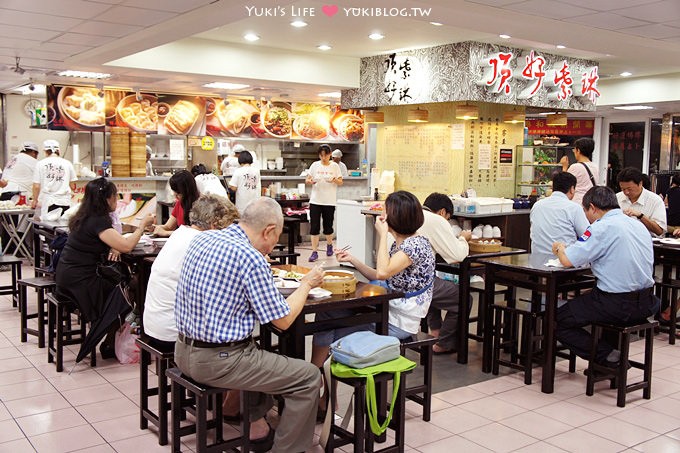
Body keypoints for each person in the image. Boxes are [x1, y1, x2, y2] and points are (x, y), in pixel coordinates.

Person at [174, 197, 324, 453]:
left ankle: (258, 428)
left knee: (255, 350)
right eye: (275, 238)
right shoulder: (249, 257)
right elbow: (284, 321)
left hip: (183, 351)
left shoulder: (203, 238)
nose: (272, 246)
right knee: (308, 377)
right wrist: (307, 283)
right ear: (268, 230)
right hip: (218, 361)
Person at [311, 191, 435, 414]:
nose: (382, 214)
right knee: (328, 316)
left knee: (337, 331)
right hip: (389, 309)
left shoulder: (414, 246)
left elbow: (383, 272)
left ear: (394, 218)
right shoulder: (405, 243)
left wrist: (382, 234)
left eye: (385, 211)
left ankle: (321, 390)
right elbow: (381, 276)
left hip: (399, 321)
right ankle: (317, 379)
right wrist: (354, 260)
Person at [552, 186, 659, 367]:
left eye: (585, 211)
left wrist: (559, 249)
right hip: (647, 302)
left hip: (616, 305)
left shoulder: (600, 228)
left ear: (592, 208)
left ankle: (607, 356)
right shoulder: (637, 225)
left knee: (556, 320)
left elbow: (568, 260)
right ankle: (606, 363)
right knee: (592, 302)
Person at [56, 178, 155, 358]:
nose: (116, 202)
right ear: (106, 199)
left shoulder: (84, 217)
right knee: (128, 291)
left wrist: (114, 244)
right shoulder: (98, 221)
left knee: (127, 283)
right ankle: (110, 341)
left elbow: (111, 242)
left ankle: (112, 340)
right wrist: (141, 227)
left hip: (68, 275)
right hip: (81, 281)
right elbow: (126, 246)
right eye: (114, 197)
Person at [143, 194, 238, 350]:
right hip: (174, 333)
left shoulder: (180, 233)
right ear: (215, 224)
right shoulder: (203, 242)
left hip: (153, 326)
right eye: (226, 225)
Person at [419, 192, 472, 354]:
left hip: (399, 278)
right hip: (419, 283)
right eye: (448, 218)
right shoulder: (435, 220)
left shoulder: (413, 214)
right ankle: (443, 343)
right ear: (442, 212)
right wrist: (463, 238)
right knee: (463, 298)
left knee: (434, 284)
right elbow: (457, 256)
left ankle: (435, 332)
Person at [530, 172, 590, 255]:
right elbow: (587, 235)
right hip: (563, 262)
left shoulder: (537, 206)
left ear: (552, 187)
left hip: (536, 260)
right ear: (572, 189)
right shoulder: (574, 208)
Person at [305, 144, 343, 262]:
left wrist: (334, 180)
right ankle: (314, 252)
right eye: (321, 155)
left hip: (329, 201)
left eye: (325, 155)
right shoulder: (315, 165)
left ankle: (329, 244)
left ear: (330, 154)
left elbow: (341, 181)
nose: (323, 158)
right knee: (314, 227)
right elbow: (307, 179)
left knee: (328, 226)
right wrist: (311, 181)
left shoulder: (335, 166)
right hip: (315, 200)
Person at [31, 139, 77, 220]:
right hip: (65, 202)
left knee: (48, 229)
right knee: (63, 228)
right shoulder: (67, 163)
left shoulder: (40, 164)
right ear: (58, 150)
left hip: (49, 202)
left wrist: (35, 200)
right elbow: (73, 185)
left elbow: (36, 186)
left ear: (45, 151)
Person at [616, 166, 666, 236]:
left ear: (640, 184)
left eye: (629, 189)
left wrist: (640, 216)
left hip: (647, 243)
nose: (626, 192)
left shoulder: (655, 200)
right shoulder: (617, 198)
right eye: (623, 189)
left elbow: (659, 231)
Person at [153, 170, 199, 237]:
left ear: (187, 191)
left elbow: (195, 232)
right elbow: (168, 226)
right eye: (174, 191)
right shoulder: (179, 204)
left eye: (178, 192)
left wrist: (166, 233)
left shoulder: (201, 205)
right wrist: (155, 228)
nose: (175, 195)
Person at [559, 137, 599, 206]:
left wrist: (564, 167)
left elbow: (564, 184)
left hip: (578, 203)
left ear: (578, 150)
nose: (574, 151)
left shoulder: (575, 167)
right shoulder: (595, 166)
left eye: (574, 149)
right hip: (590, 204)